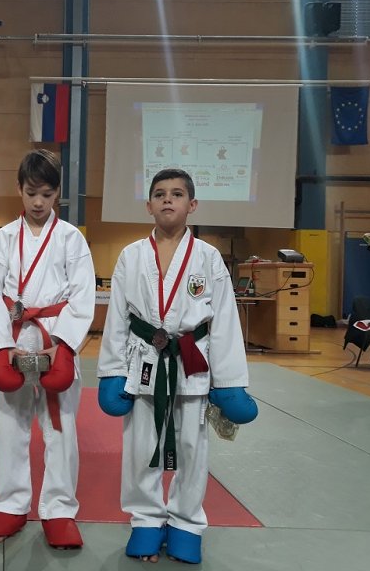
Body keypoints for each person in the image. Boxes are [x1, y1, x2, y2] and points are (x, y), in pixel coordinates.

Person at [96, 168, 258, 564]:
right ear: (149, 205)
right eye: (160, 194)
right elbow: (117, 318)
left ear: (192, 204)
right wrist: (112, 371)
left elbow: (224, 320)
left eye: (177, 193)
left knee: (191, 447)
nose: (168, 199)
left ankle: (186, 523)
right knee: (141, 446)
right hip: (144, 360)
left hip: (192, 360)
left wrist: (229, 381)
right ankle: (146, 520)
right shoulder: (131, 255)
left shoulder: (208, 257)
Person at [0, 149, 95, 549]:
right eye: (31, 193)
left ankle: (59, 509)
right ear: (19, 190)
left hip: (54, 339)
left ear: (58, 192)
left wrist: (62, 346)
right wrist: (1, 348)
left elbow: (82, 295)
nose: (39, 202)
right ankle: (9, 505)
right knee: (9, 426)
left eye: (47, 194)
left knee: (60, 428)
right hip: (14, 336)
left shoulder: (71, 238)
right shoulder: (3, 239)